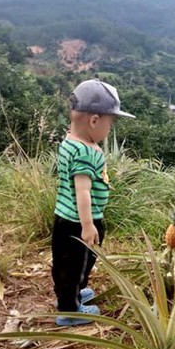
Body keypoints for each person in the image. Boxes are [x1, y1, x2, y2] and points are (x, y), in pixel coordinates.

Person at [51, 79, 134, 326]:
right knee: (76, 263)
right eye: (111, 122)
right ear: (94, 120)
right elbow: (83, 192)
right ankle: (69, 311)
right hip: (79, 222)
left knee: (68, 263)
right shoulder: (85, 152)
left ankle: (72, 293)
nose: (110, 128)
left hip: (64, 218)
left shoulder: (71, 142)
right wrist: (88, 225)